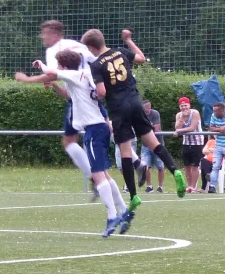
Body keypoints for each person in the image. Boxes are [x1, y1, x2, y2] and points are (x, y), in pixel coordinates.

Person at [15, 20, 146, 198]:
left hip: (77, 97)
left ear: (54, 33)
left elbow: (53, 73)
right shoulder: (76, 44)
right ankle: (136, 162)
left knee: (70, 141)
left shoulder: (53, 51)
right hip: (92, 90)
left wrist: (27, 79)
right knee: (106, 126)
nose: (42, 37)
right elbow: (97, 59)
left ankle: (96, 178)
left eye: (44, 33)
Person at [18, 49, 133, 237]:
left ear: (63, 65)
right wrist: (54, 84)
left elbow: (51, 73)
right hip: (95, 129)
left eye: (58, 64)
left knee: (98, 175)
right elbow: (68, 95)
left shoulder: (74, 74)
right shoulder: (80, 76)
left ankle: (113, 216)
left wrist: (32, 73)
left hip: (94, 129)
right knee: (103, 174)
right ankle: (123, 210)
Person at [81, 28, 186, 211]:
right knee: (153, 142)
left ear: (91, 47)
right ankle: (175, 170)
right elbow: (141, 58)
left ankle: (133, 196)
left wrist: (94, 96)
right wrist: (129, 40)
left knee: (125, 152)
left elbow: (102, 92)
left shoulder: (97, 64)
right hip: (136, 102)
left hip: (118, 109)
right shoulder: (120, 52)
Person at [174, 97, 204, 193]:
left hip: (197, 142)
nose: (184, 108)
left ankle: (194, 187)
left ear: (189, 105)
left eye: (185, 105)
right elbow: (177, 127)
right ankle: (189, 186)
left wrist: (179, 131)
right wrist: (182, 118)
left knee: (195, 165)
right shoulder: (179, 115)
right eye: (182, 106)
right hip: (186, 142)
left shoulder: (195, 113)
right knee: (187, 165)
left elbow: (192, 128)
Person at [141, 100, 165, 194]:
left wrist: (144, 128)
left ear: (149, 108)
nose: (145, 112)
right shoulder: (140, 114)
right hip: (145, 144)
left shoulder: (155, 114)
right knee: (145, 166)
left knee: (160, 166)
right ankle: (149, 186)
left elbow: (156, 128)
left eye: (146, 111)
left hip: (157, 143)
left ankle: (160, 186)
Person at [208, 102, 225, 193]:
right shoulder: (213, 116)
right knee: (215, 166)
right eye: (213, 111)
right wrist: (220, 129)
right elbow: (211, 127)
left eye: (216, 111)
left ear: (222, 111)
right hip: (218, 145)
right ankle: (212, 186)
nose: (213, 112)